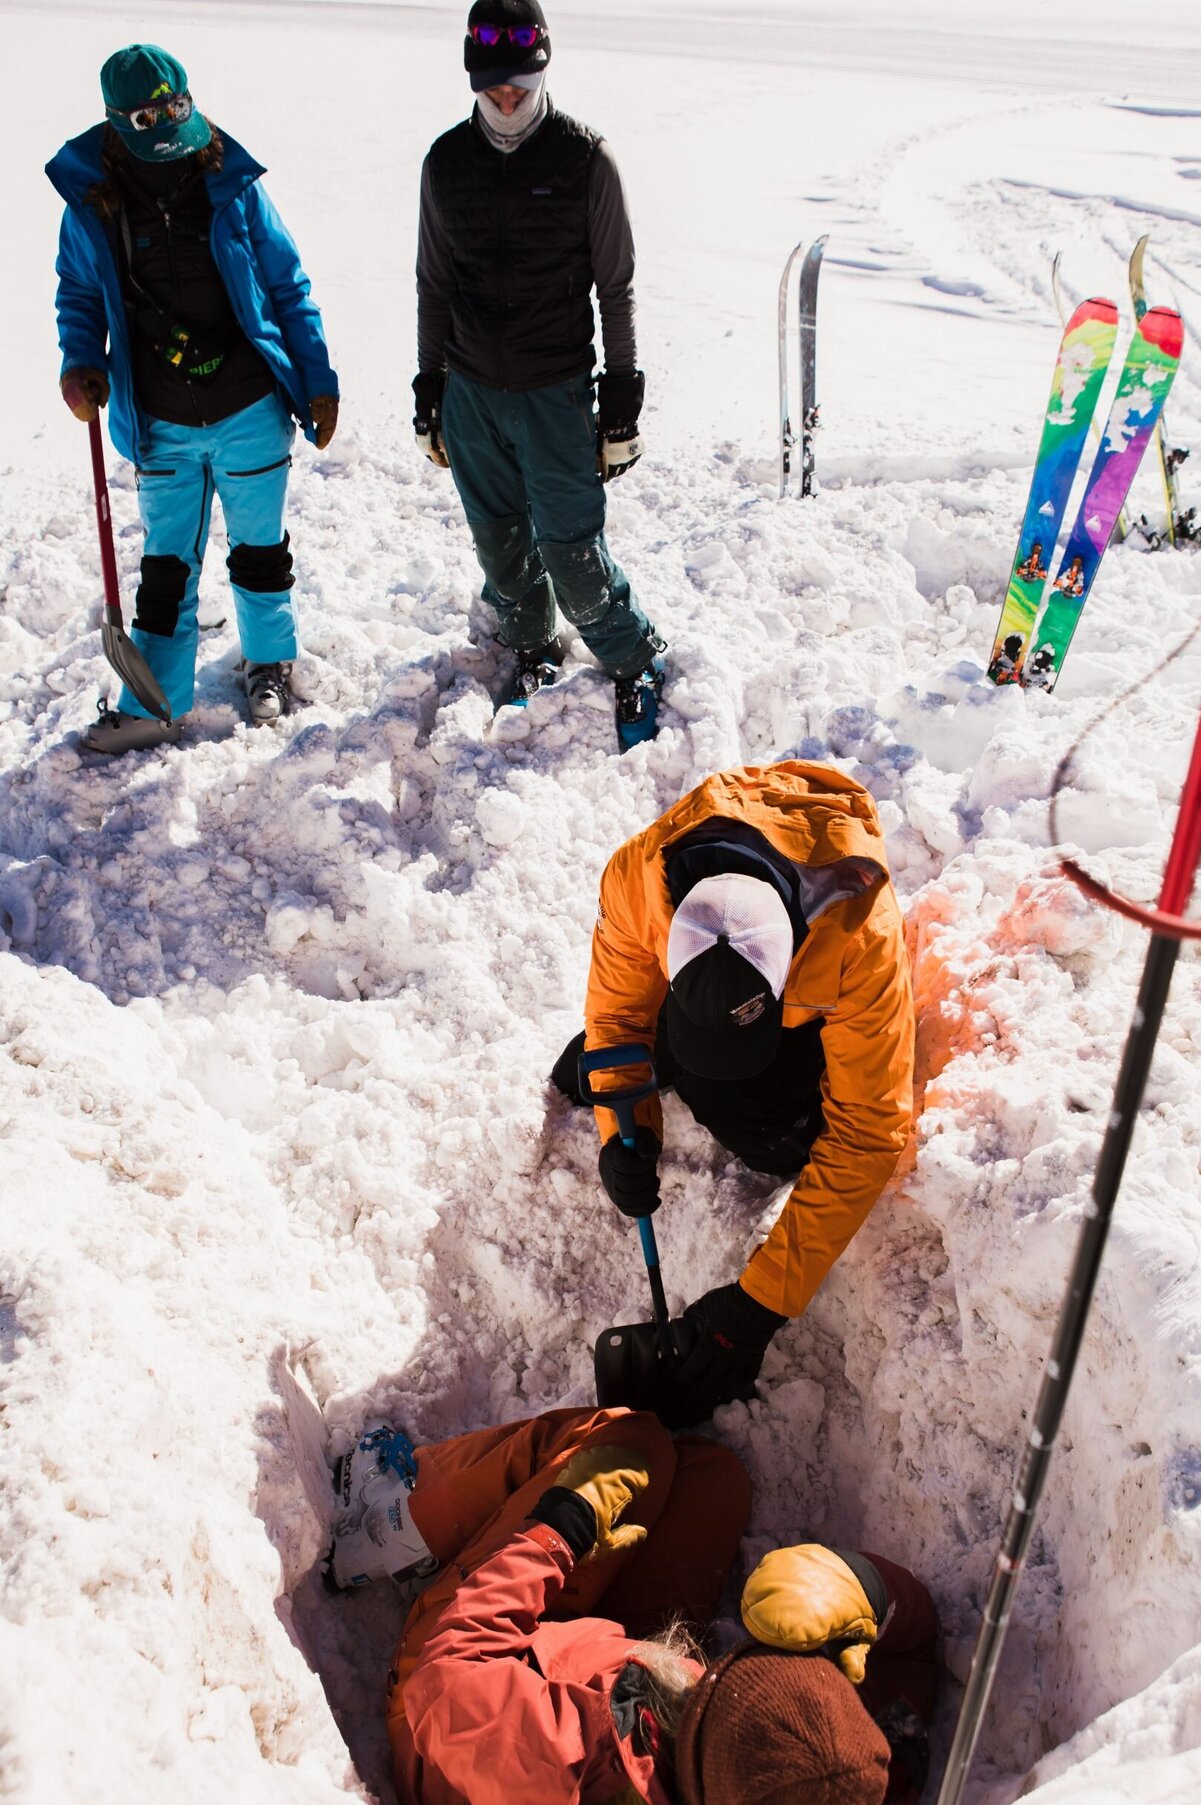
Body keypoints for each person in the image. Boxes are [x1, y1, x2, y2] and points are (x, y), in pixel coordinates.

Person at [330, 1407, 938, 1805]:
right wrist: (867, 1588)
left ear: (688, 1720)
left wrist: (560, 1528)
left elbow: (450, 1664)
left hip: (453, 1705)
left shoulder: (561, 1761)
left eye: (717, 1682)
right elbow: (915, 1658)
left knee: (625, 1444)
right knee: (711, 1479)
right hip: (604, 1668)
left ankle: (387, 1522)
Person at [553, 761, 915, 1425]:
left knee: (783, 1143)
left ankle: (707, 1054)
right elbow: (615, 1021)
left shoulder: (857, 937)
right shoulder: (640, 880)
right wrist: (623, 1133)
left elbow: (867, 1133)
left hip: (804, 1000)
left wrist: (756, 1307)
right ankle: (679, 1049)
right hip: (702, 978)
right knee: (620, 1059)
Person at [47, 44, 340, 755]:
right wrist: (79, 361)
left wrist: (318, 380)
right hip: (160, 416)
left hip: (248, 406)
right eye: (151, 120)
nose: (169, 133)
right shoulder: (92, 206)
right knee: (165, 572)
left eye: (176, 111)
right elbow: (80, 295)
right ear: (118, 125)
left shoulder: (233, 187)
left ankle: (267, 662)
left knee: (260, 553)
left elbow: (287, 285)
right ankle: (154, 701)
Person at [413, 0, 666, 751]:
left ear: (543, 68)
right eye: (493, 86)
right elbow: (433, 282)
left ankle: (632, 656)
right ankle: (532, 652)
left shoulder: (585, 159)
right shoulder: (445, 162)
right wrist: (430, 390)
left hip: (555, 389)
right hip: (470, 392)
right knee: (500, 545)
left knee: (570, 551)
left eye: (519, 84)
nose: (507, 98)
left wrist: (620, 404)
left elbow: (614, 288)